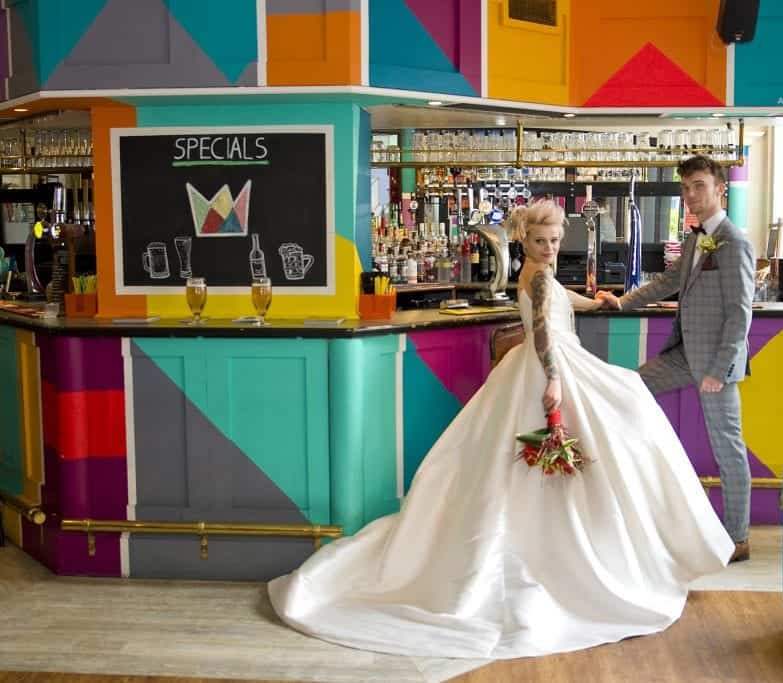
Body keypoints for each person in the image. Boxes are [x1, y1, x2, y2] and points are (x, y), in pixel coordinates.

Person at [268, 199, 733, 660]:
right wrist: (552, 379)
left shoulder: (537, 273)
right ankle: (595, 555)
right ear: (523, 240)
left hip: (535, 366)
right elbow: (545, 330)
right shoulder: (540, 274)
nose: (550, 248)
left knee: (579, 439)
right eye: (540, 241)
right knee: (629, 408)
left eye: (554, 241)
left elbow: (554, 295)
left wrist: (592, 300)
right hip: (551, 367)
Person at [596, 155, 756, 563]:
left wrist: (720, 371)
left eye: (698, 186)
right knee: (630, 387)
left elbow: (741, 313)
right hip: (685, 353)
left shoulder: (734, 242)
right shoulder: (694, 238)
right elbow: (668, 282)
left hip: (717, 363)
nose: (690, 195)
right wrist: (622, 302)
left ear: (720, 189)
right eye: (685, 188)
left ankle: (737, 538)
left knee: (728, 448)